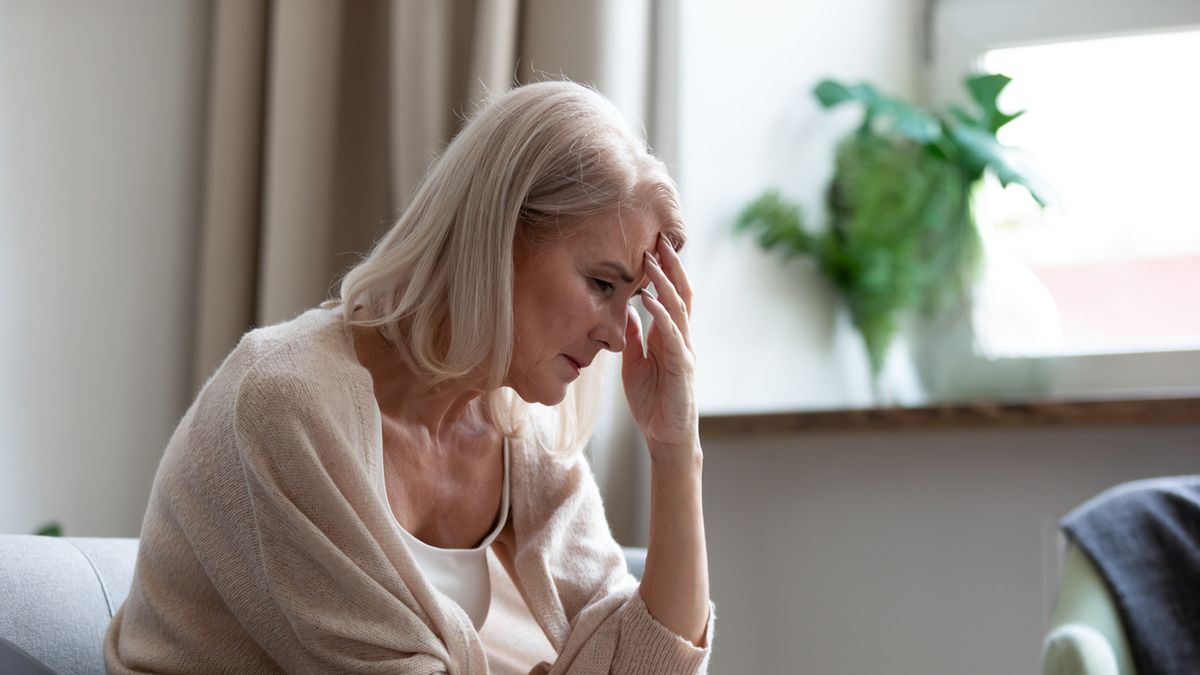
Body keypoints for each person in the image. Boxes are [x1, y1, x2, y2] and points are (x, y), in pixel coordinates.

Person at [104, 80, 715, 674]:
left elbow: (649, 667)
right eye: (602, 284)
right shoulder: (284, 401)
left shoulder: (515, 430)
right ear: (498, 236)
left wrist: (675, 448)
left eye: (632, 301)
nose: (617, 336)